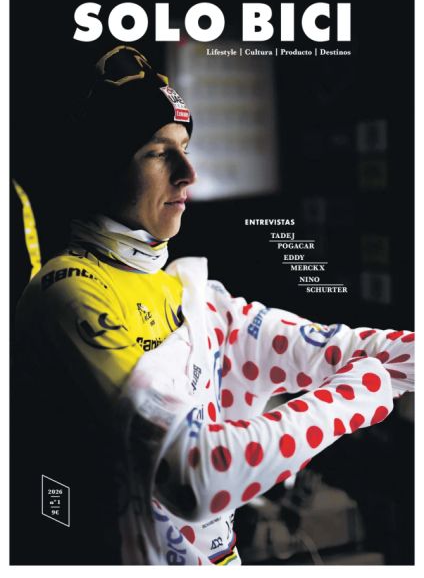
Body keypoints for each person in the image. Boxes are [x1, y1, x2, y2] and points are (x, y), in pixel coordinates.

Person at [13, 46, 415, 566]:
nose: (188, 173)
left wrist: (390, 364)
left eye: (185, 147)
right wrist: (366, 391)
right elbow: (198, 476)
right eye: (158, 152)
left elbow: (343, 348)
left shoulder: (193, 295)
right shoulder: (67, 293)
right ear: (103, 167)